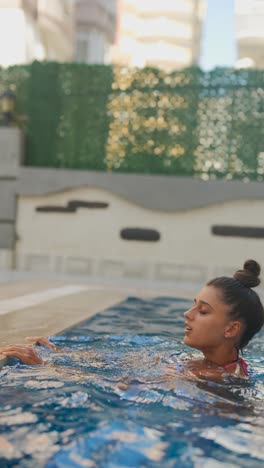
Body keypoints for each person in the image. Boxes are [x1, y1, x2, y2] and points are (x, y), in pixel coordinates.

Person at [1, 260, 264, 379]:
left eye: (203, 311)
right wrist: (59, 353)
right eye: (193, 305)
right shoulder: (207, 365)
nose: (187, 313)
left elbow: (119, 384)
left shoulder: (214, 379)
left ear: (231, 328)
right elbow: (120, 366)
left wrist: (43, 367)